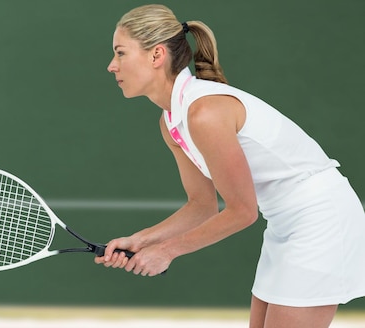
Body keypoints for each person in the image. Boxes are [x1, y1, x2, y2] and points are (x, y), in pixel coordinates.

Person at [94, 4, 365, 328]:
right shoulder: (172, 122)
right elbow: (202, 206)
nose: (112, 66)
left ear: (156, 55)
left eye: (121, 53)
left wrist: (167, 251)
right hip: (284, 224)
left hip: (321, 219)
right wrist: (142, 240)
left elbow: (242, 211)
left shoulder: (204, 112)